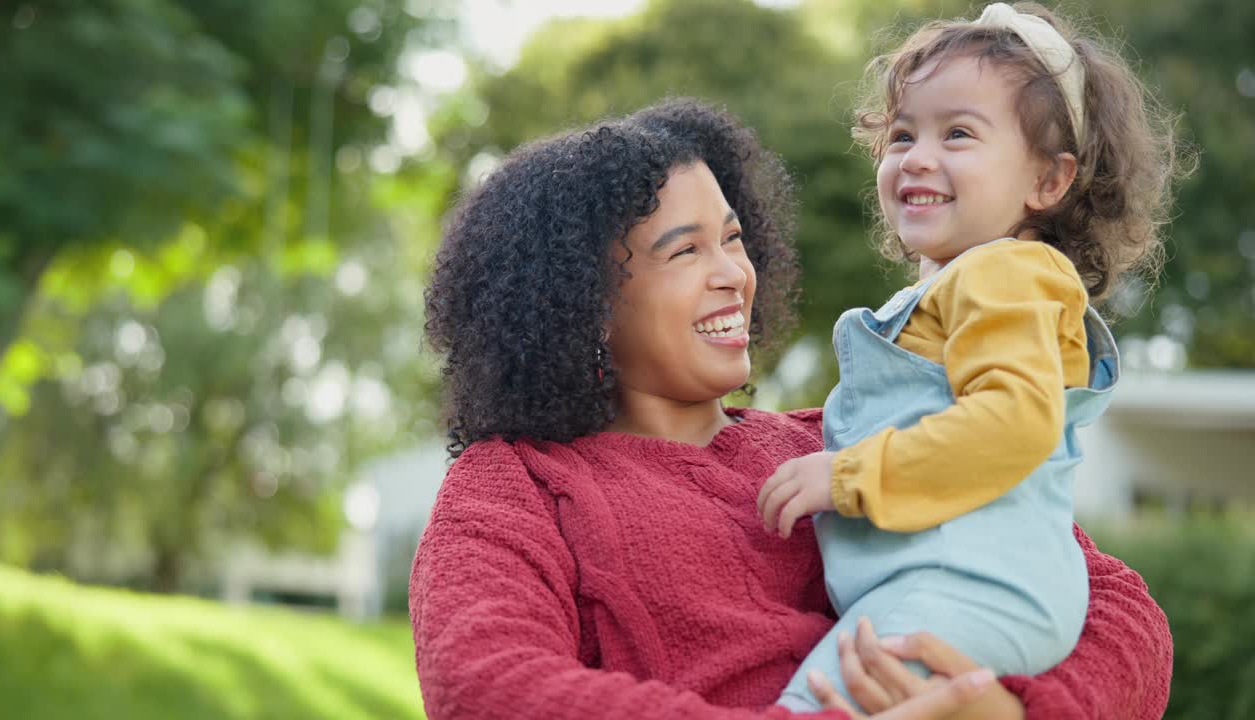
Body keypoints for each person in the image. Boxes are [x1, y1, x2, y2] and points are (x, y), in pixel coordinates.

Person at [411, 97, 1172, 720]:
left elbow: (1120, 609)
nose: (733, 275)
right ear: (580, 304)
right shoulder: (514, 485)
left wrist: (1006, 712)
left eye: (734, 239)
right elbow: (486, 686)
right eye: (685, 252)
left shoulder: (840, 440)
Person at [754, 3, 1183, 713]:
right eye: (901, 134)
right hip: (945, 589)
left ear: (1048, 182)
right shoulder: (967, 286)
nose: (918, 155)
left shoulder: (1005, 273)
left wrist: (848, 474)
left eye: (958, 133)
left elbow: (1015, 422)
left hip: (965, 589)